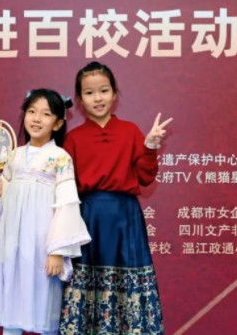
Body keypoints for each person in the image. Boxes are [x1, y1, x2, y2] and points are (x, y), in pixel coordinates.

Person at [59, 61, 172, 335]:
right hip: (88, 218)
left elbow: (145, 177)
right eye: (89, 93)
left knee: (128, 277)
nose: (98, 98)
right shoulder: (73, 139)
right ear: (80, 99)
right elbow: (63, 187)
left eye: (104, 90)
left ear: (114, 93)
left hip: (125, 217)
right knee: (87, 281)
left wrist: (150, 147)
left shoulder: (130, 131)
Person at [0, 89, 91, 335]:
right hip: (13, 242)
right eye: (31, 112)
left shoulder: (60, 158)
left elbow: (66, 205)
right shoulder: (15, 155)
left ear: (58, 123)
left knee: (43, 302)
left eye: (46, 114)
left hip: (42, 243)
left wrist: (57, 251)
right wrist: (1, 193)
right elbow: (11, 197)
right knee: (10, 298)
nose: (36, 119)